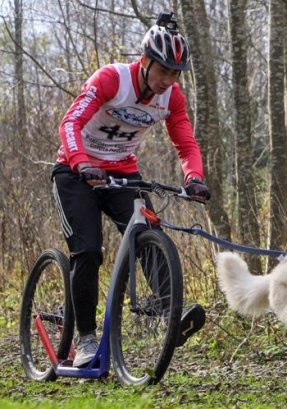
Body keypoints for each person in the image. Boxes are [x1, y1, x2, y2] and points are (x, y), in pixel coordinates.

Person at [52, 12, 208, 367]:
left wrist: (194, 177)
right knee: (88, 250)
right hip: (76, 172)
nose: (168, 80)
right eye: (163, 70)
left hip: (122, 174)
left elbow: (185, 144)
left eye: (175, 74)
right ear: (145, 61)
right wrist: (80, 161)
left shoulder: (172, 98)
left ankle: (170, 312)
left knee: (148, 231)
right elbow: (71, 122)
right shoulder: (111, 79)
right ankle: (87, 338)